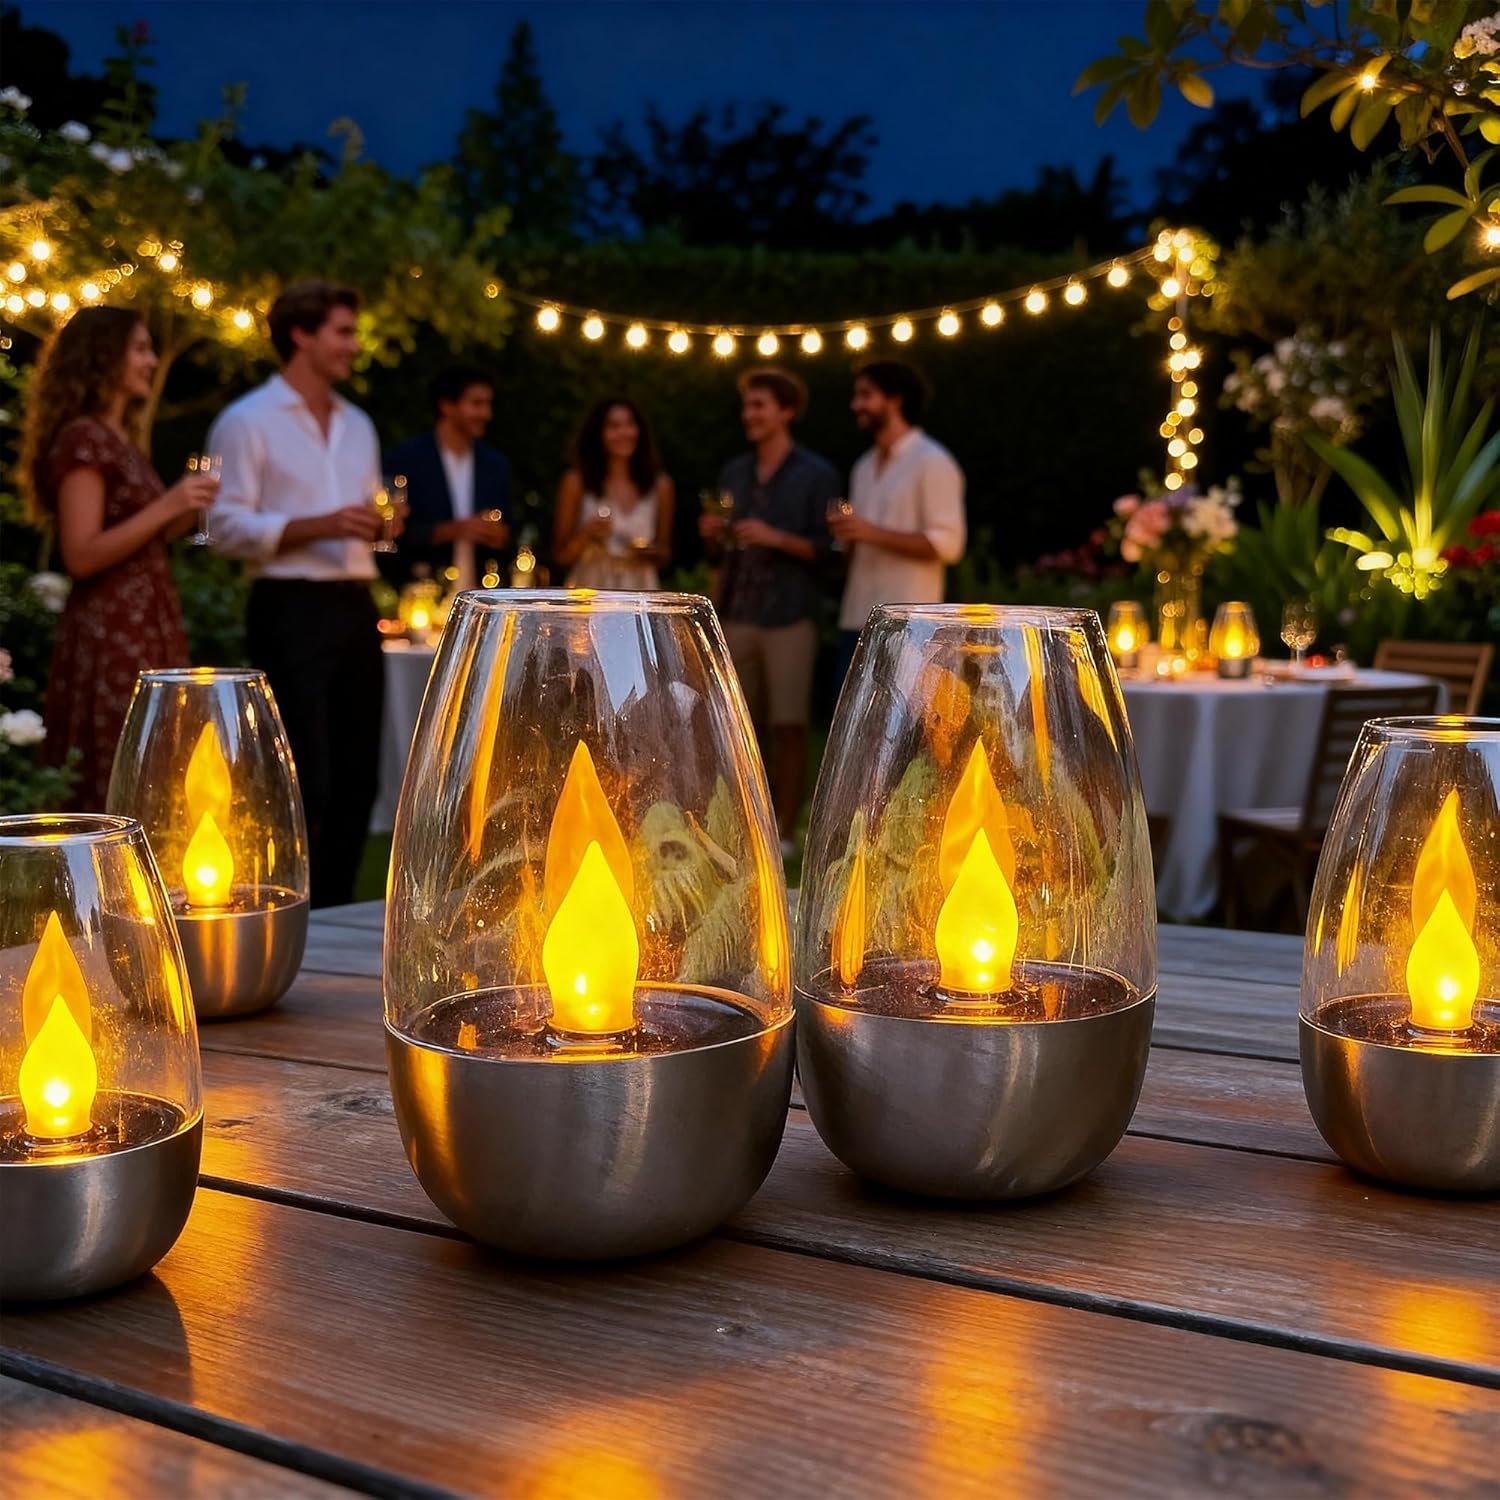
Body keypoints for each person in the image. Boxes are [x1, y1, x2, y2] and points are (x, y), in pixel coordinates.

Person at [208, 282, 398, 909]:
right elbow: (224, 528)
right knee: (302, 776)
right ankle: (296, 917)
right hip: (289, 608)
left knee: (358, 774)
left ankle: (342, 913)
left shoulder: (359, 424)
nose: (355, 344)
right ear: (301, 335)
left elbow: (365, 514)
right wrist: (318, 524)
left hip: (354, 606)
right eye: (344, 331)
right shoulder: (245, 422)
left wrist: (381, 525)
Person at [19, 306, 219, 809]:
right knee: (123, 769)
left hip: (146, 621)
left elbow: (140, 538)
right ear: (103, 357)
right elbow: (82, 554)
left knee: (159, 764)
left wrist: (184, 512)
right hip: (112, 632)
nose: (151, 361)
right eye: (140, 348)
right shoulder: (83, 439)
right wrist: (169, 504)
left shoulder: (118, 438)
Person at [701, 368, 839, 851]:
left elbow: (831, 550)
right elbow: (720, 555)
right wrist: (714, 538)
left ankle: (784, 830)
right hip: (739, 611)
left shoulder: (817, 475)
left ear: (786, 411)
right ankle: (746, 825)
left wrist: (776, 538)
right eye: (747, 406)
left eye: (759, 405)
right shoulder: (734, 473)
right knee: (739, 725)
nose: (750, 415)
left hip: (789, 614)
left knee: (789, 724)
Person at [828, 361, 966, 683]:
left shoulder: (932, 461)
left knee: (902, 729)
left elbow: (949, 545)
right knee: (852, 728)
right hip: (857, 618)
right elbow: (857, 545)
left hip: (910, 625)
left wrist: (870, 532)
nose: (855, 405)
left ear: (895, 399)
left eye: (865, 395)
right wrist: (845, 539)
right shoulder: (862, 467)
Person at [386, 365, 511, 590]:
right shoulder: (408, 459)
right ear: (447, 406)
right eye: (476, 404)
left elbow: (511, 530)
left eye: (488, 404)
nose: (486, 414)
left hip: (481, 592)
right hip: (420, 592)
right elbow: (393, 533)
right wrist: (452, 530)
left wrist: (499, 534)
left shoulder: (495, 464)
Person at [552, 397, 674, 590]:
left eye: (630, 425)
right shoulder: (576, 483)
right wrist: (585, 535)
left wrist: (648, 552)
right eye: (614, 426)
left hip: (640, 588)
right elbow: (560, 556)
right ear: (599, 434)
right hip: (590, 591)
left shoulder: (660, 486)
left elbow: (665, 555)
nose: (624, 433)